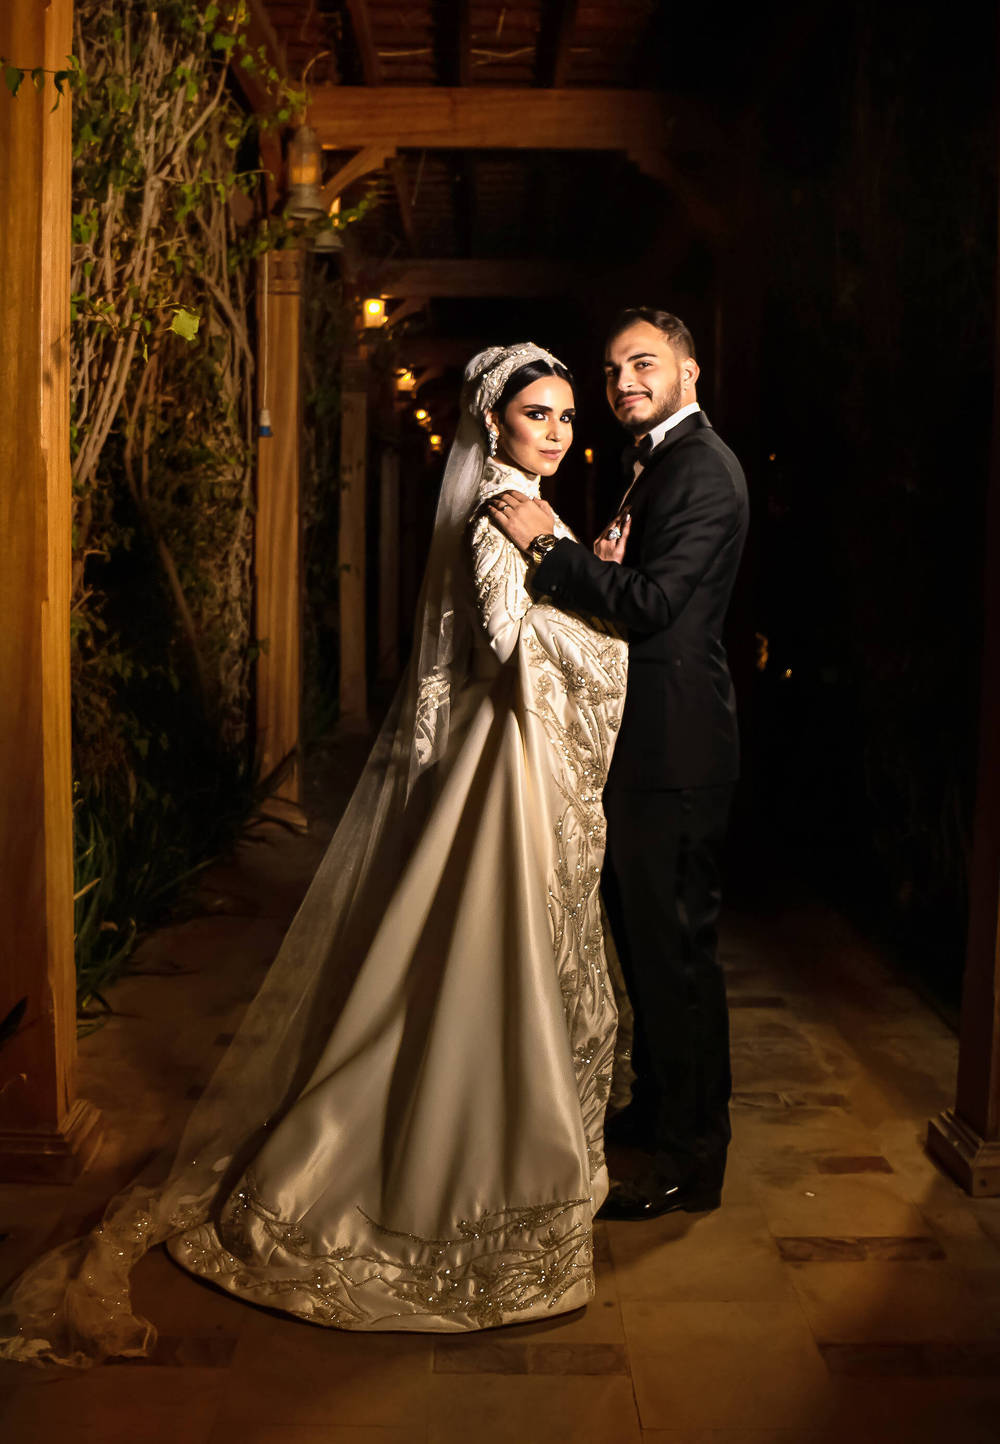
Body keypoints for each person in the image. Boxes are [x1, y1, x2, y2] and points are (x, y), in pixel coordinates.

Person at [0, 343, 629, 1365]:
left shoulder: (533, 511)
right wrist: (597, 599)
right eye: (536, 416)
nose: (555, 432)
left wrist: (579, 563)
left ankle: (503, 1169)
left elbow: (534, 618)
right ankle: (442, 1186)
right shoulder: (493, 516)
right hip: (500, 761)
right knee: (484, 963)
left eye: (564, 417)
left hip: (513, 761)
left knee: (490, 965)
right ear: (494, 426)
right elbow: (512, 651)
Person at [488, 309, 748, 1222]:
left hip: (678, 751)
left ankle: (692, 1161)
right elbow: (634, 587)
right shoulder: (656, 463)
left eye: (644, 364)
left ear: (689, 370)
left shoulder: (705, 471)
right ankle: (660, 1111)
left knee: (677, 957)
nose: (623, 382)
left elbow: (655, 603)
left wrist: (551, 549)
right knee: (645, 947)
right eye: (612, 371)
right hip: (641, 747)